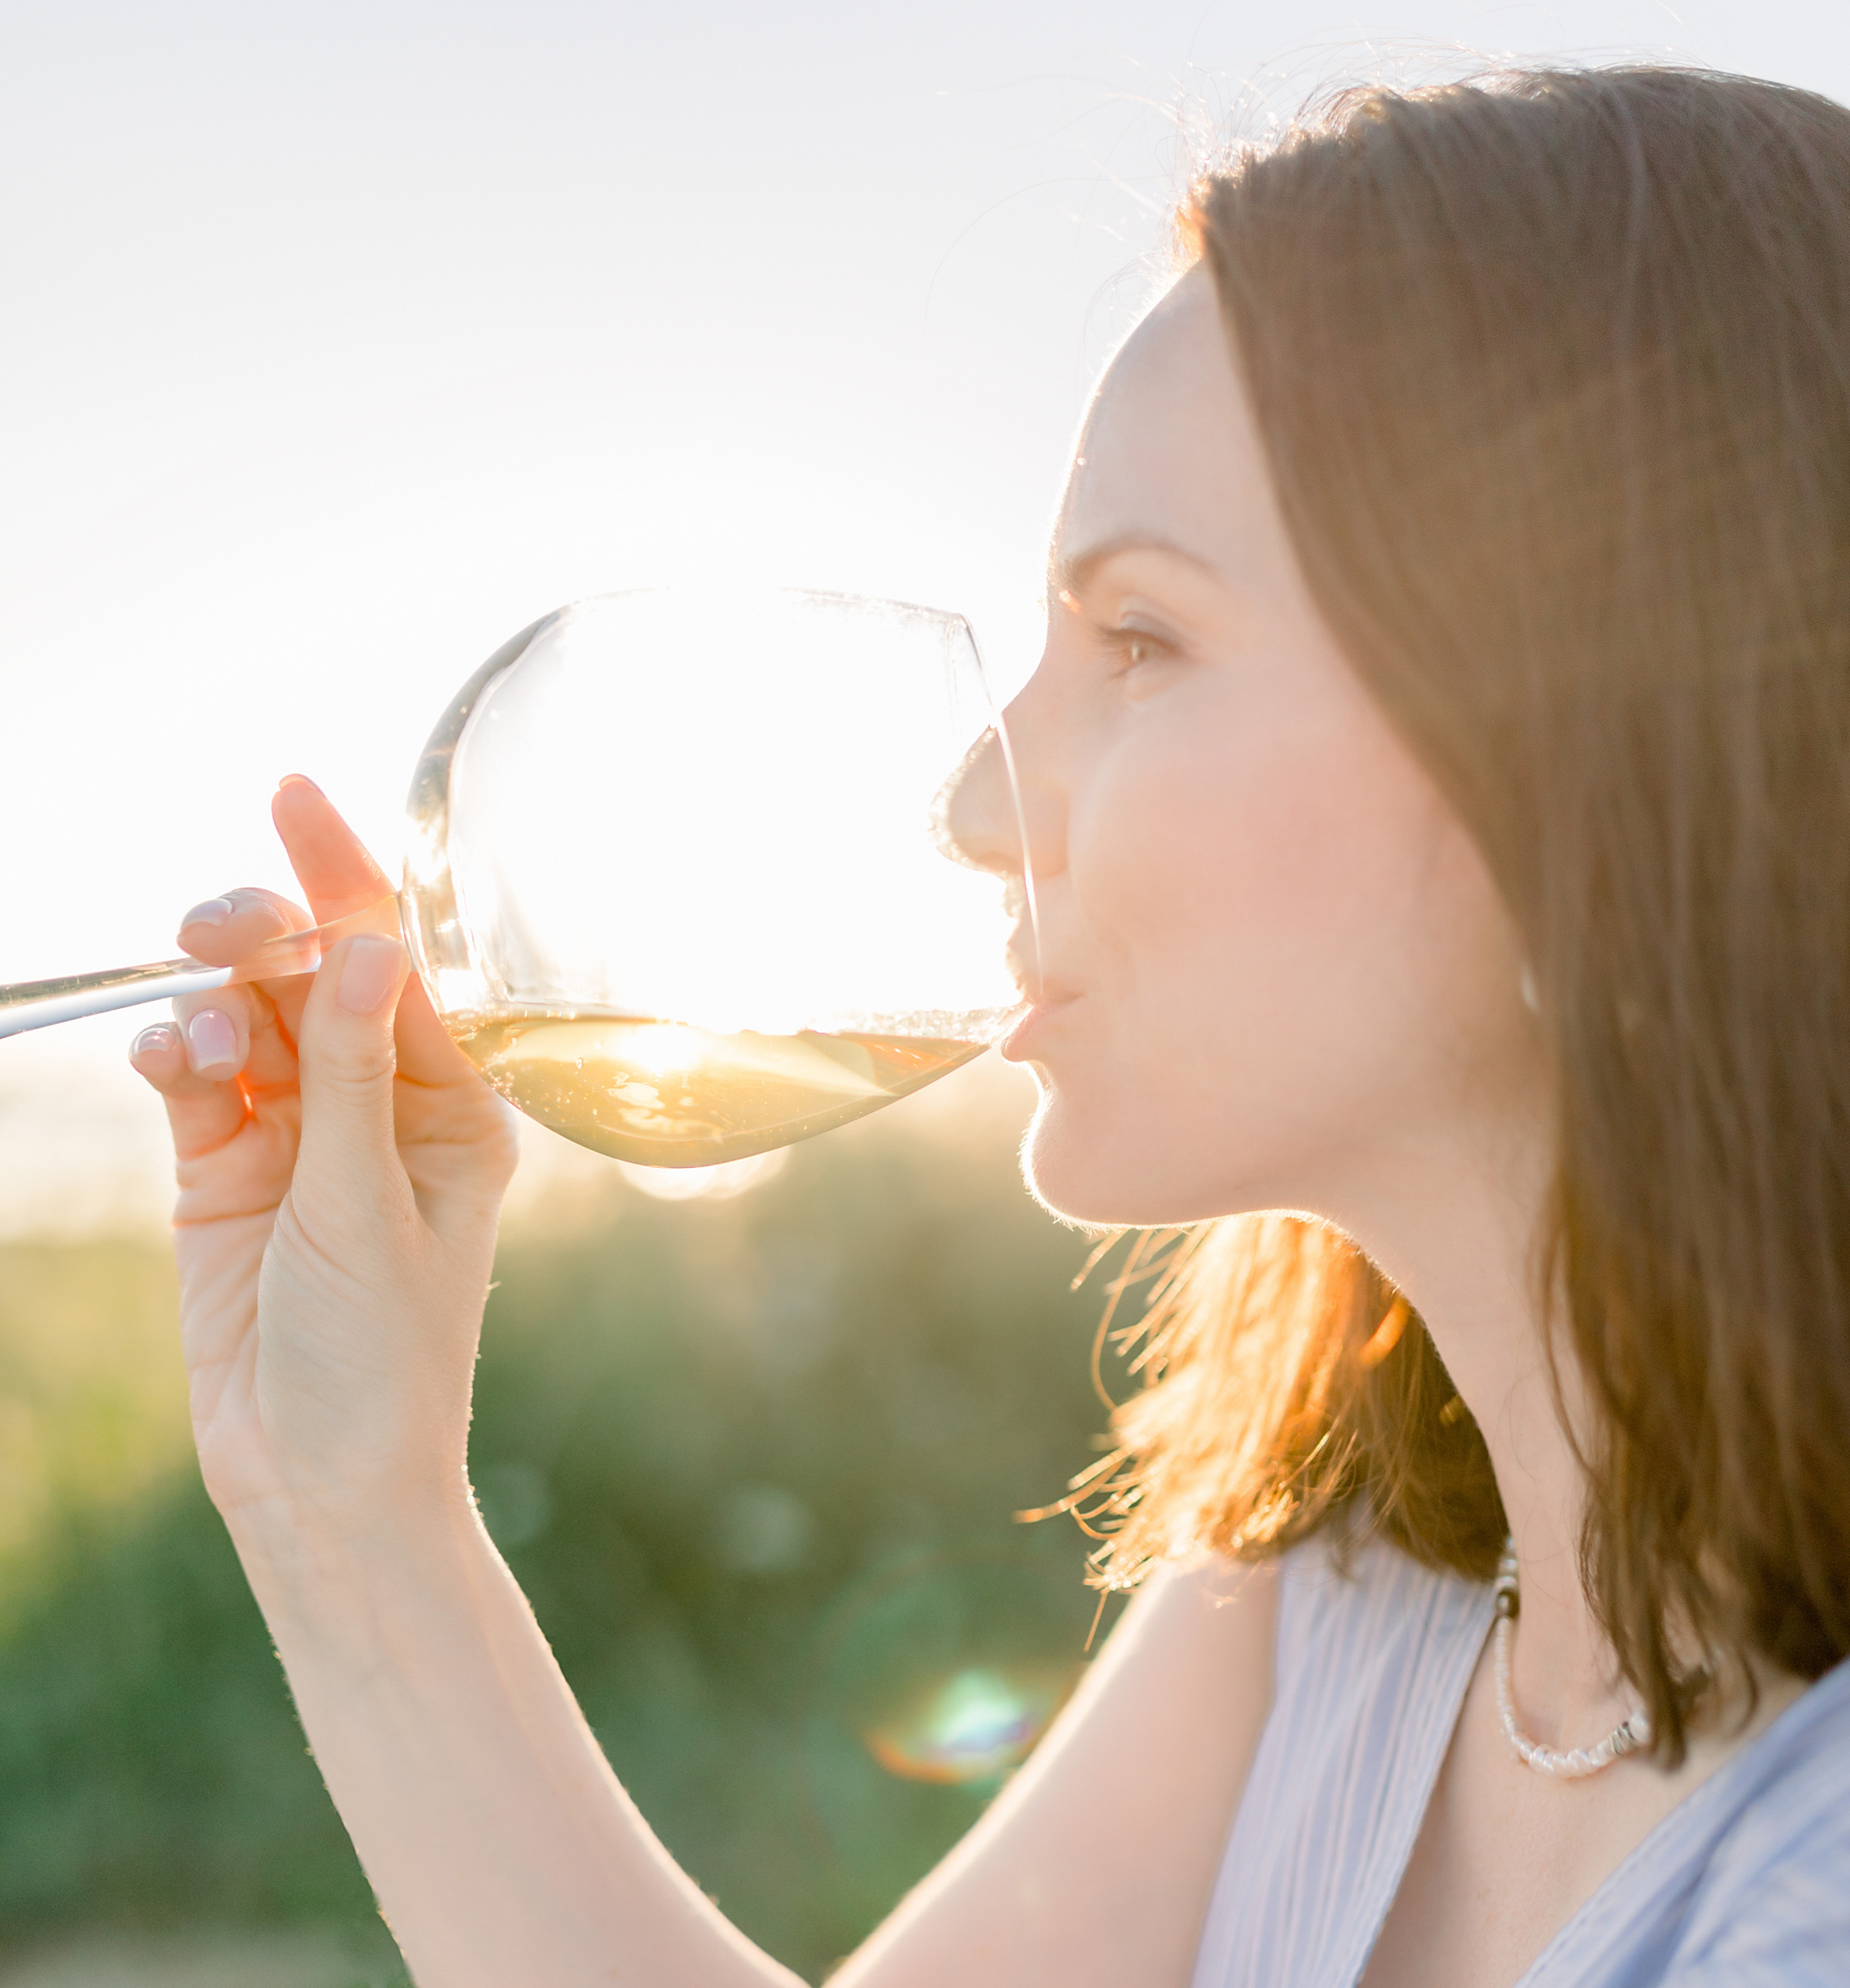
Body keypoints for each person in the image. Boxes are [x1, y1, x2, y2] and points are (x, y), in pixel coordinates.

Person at [128, 64, 1850, 1988]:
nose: (969, 808)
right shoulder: (1350, 1588)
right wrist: (348, 1505)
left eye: (1141, 641)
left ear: (1589, 766)